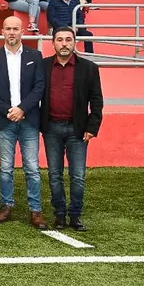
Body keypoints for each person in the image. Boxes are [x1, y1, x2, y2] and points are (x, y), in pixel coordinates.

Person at [0, 16, 47, 229]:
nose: (12, 32)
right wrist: (8, 110)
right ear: (2, 31)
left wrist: (22, 109)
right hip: (4, 120)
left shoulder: (35, 56)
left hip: (29, 120)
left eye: (15, 29)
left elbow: (39, 87)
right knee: (6, 168)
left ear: (22, 32)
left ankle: (35, 210)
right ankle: (7, 206)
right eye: (8, 29)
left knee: (32, 168)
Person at [41, 27, 103, 232]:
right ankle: (59, 214)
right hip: (51, 128)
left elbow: (97, 101)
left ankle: (75, 215)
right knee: (54, 173)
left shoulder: (89, 68)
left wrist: (92, 127)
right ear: (53, 43)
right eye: (60, 40)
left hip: (78, 130)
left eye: (68, 39)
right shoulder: (43, 66)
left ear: (75, 42)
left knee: (78, 175)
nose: (64, 43)